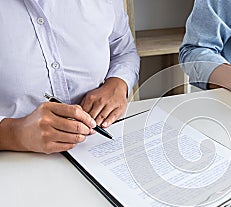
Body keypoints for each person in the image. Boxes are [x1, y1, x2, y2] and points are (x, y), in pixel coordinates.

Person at [0, 0, 139, 154]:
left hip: (97, 148)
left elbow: (124, 52)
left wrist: (118, 83)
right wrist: (14, 134)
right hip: (13, 159)